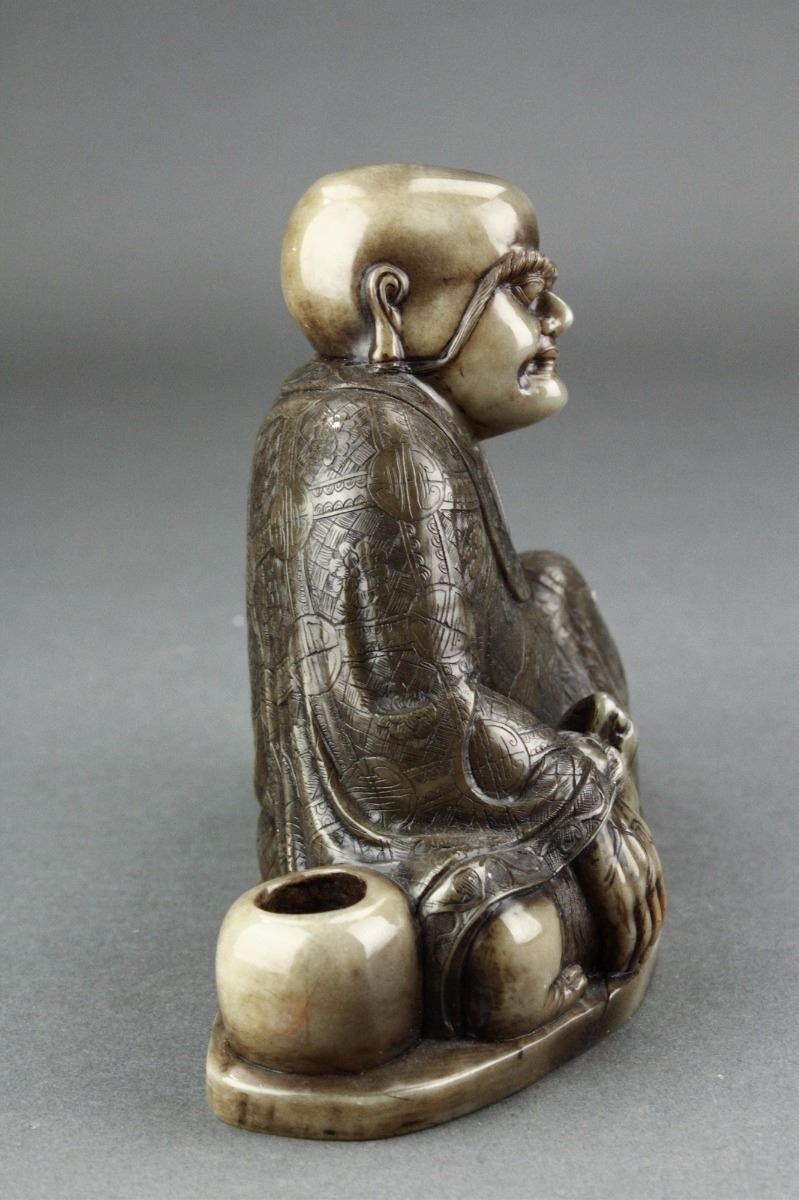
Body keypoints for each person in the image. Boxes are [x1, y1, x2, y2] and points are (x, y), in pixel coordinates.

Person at [247, 165, 664, 1039]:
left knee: (550, 583)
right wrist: (579, 792)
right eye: (520, 288)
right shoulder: (378, 437)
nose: (557, 318)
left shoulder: (375, 412)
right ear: (391, 304)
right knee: (514, 946)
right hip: (390, 815)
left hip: (474, 740)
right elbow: (417, 720)